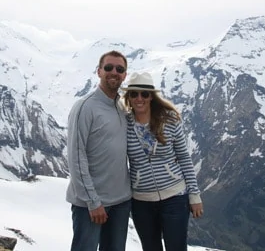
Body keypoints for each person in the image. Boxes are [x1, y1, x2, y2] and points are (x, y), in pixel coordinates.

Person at [122, 71, 203, 251]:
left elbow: (183, 158)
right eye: (134, 94)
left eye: (144, 94)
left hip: (174, 198)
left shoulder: (170, 120)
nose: (139, 98)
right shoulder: (123, 123)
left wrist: (194, 195)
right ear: (128, 97)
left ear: (151, 96)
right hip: (141, 202)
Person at [66, 50, 132, 251]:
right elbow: (76, 157)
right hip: (91, 204)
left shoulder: (122, 107)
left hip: (120, 202)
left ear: (124, 75)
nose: (114, 72)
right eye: (108, 67)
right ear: (99, 71)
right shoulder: (85, 107)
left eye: (119, 69)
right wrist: (92, 201)